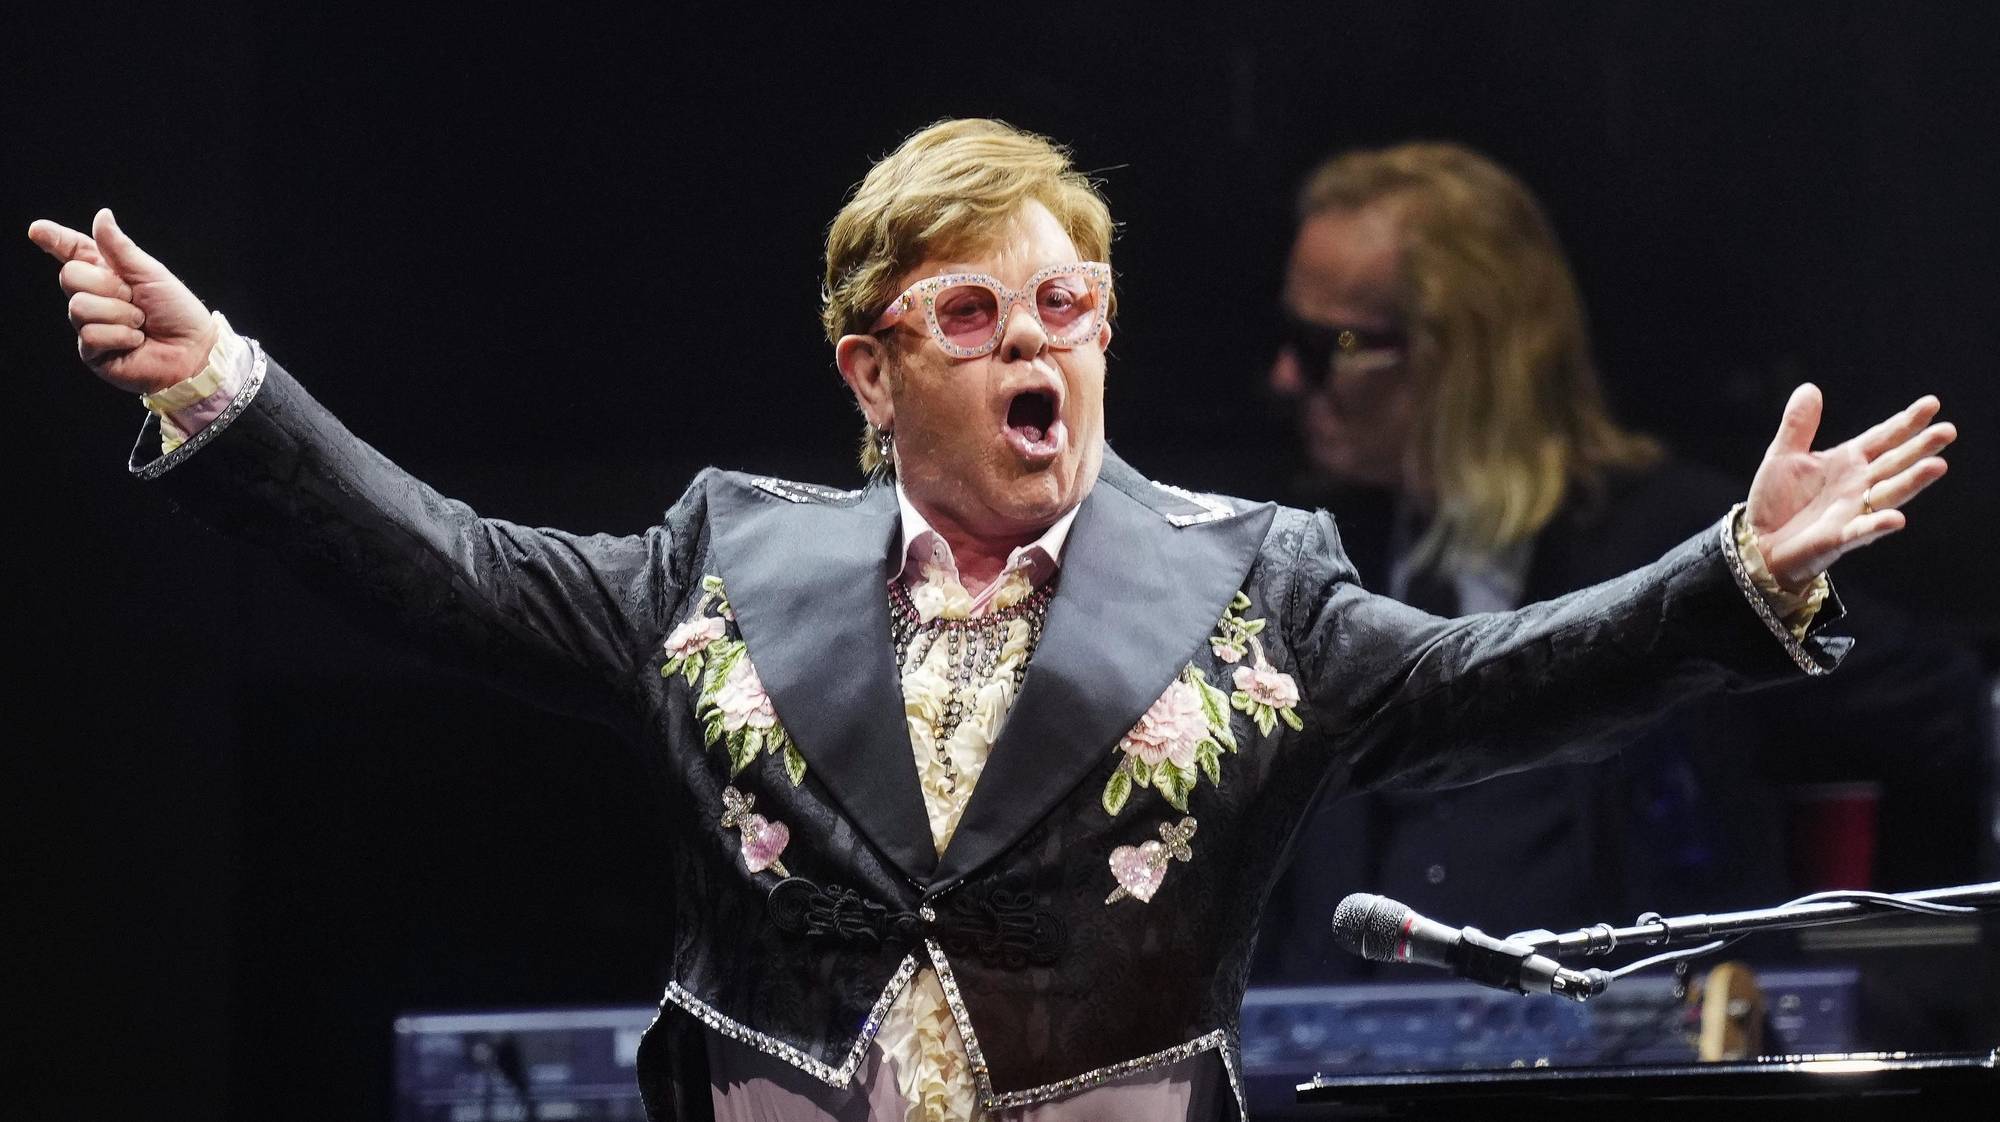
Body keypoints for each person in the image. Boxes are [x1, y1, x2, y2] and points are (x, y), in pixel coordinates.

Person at [30, 119, 1955, 1121]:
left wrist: (1734, 575)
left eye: (1069, 304)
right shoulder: (725, 559)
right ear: (872, 374)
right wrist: (228, 394)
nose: (1038, 344)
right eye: (973, 317)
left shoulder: (1249, 579)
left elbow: (1492, 684)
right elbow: (452, 566)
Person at [1253, 141, 1989, 983]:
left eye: (1329, 343)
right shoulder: (1316, 558)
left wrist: (1893, 993)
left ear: (1467, 356)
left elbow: (1942, 712)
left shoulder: (1679, 541)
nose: (1284, 376)